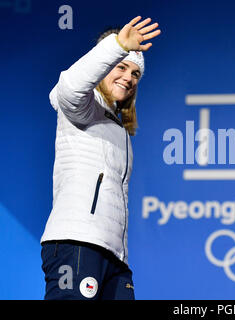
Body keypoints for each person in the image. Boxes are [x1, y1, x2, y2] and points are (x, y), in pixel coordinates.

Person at [40, 16, 161, 300]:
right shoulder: (82, 108)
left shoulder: (119, 130)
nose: (128, 78)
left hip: (115, 257)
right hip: (78, 243)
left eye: (135, 74)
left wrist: (121, 254)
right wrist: (117, 46)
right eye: (121, 67)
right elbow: (70, 87)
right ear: (105, 65)